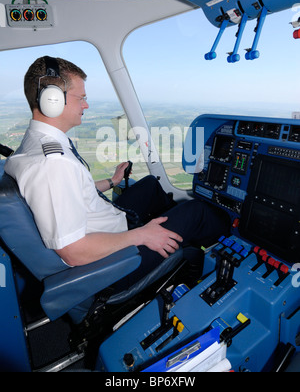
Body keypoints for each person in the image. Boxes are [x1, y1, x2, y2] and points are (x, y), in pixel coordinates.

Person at [4, 56, 230, 291]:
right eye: (81, 98)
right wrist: (142, 235)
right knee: (197, 212)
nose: (86, 105)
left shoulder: (36, 143)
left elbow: (67, 194)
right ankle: (220, 250)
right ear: (52, 100)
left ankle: (175, 236)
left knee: (151, 184)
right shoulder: (52, 164)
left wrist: (112, 182)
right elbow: (74, 252)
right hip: (111, 266)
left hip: (105, 228)